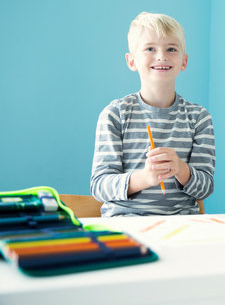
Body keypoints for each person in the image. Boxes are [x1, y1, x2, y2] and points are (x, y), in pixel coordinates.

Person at [90, 12, 215, 216]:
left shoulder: (199, 118)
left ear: (184, 61)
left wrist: (181, 170)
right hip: (125, 223)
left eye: (171, 49)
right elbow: (99, 186)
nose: (161, 56)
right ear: (131, 61)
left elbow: (206, 187)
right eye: (150, 48)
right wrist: (145, 178)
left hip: (182, 224)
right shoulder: (115, 114)